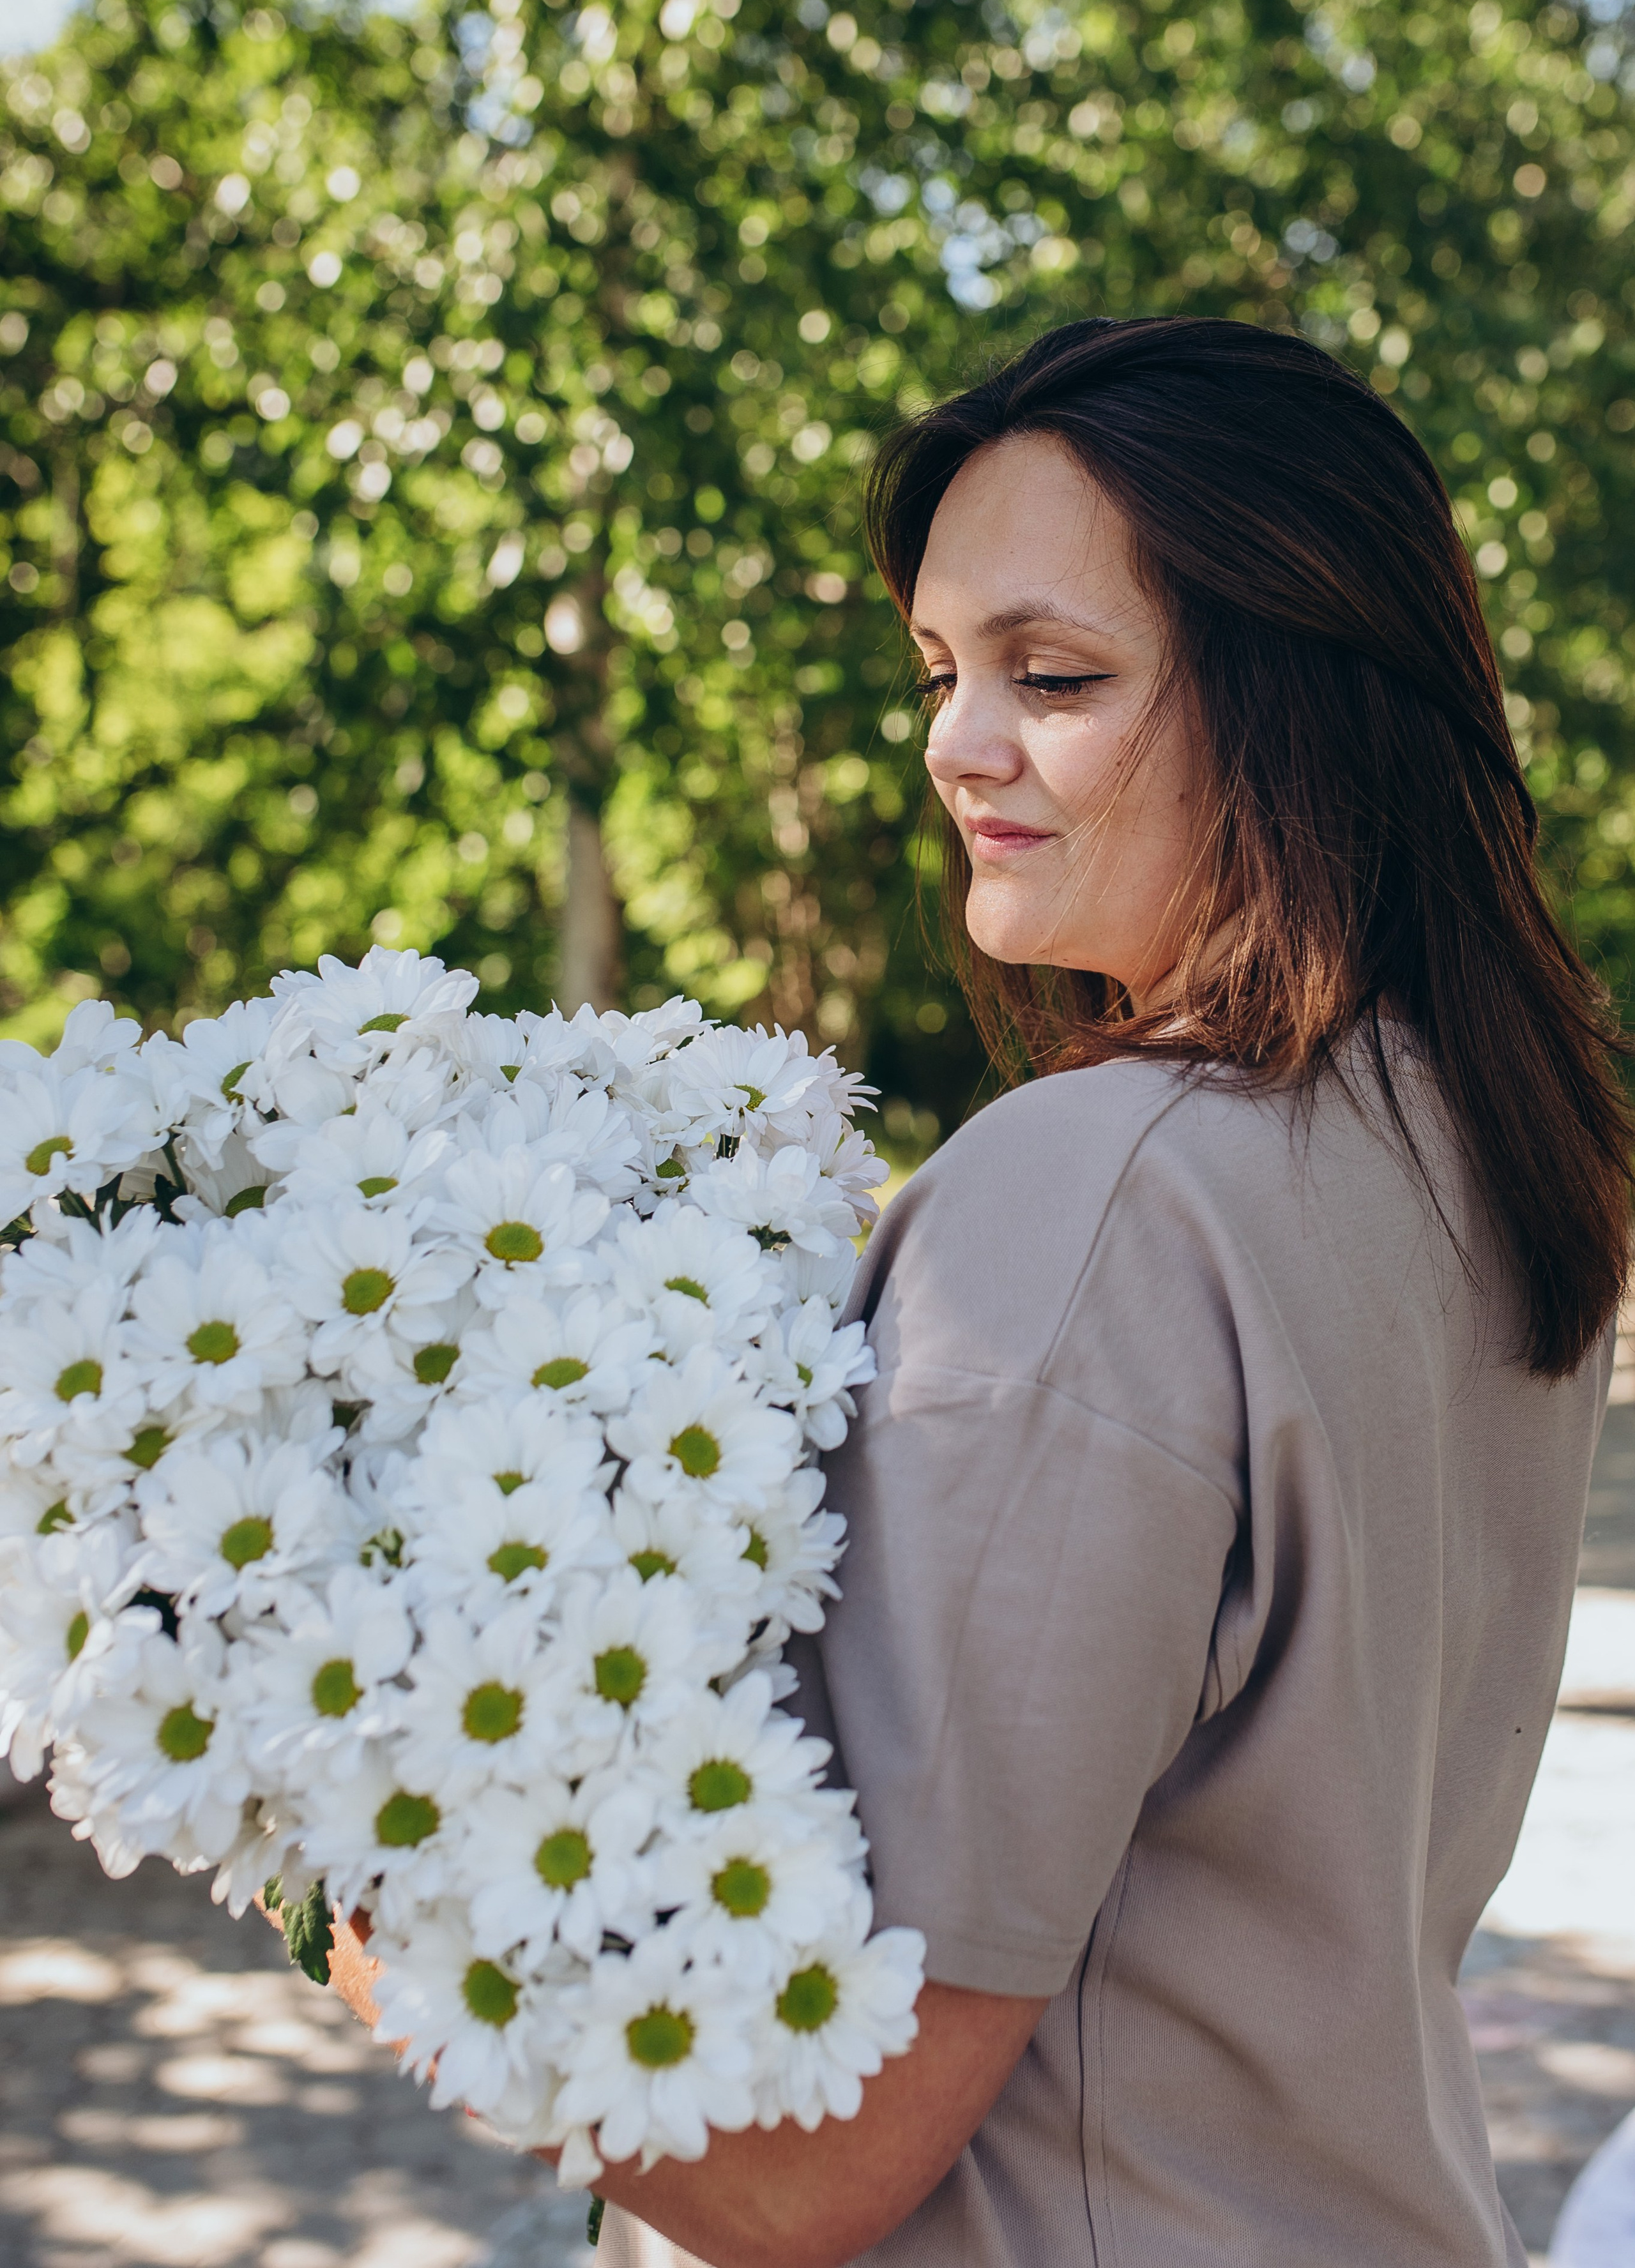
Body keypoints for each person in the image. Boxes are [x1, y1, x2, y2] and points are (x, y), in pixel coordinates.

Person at [335, 316, 1631, 2265]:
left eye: (1057, 675)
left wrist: (330, 1870)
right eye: (944, 672)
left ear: (1302, 696)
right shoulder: (1476, 1158)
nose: (954, 743)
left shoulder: (1098, 1199)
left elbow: (813, 2166)